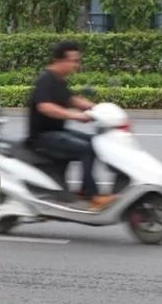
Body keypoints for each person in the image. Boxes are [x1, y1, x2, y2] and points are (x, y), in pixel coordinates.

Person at [26, 41, 117, 210]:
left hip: (56, 132)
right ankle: (92, 195)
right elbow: (44, 106)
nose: (76, 65)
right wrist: (74, 115)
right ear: (59, 61)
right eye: (73, 61)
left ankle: (83, 190)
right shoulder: (46, 80)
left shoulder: (59, 81)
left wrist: (98, 109)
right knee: (85, 148)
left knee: (96, 142)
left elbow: (72, 100)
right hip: (42, 137)